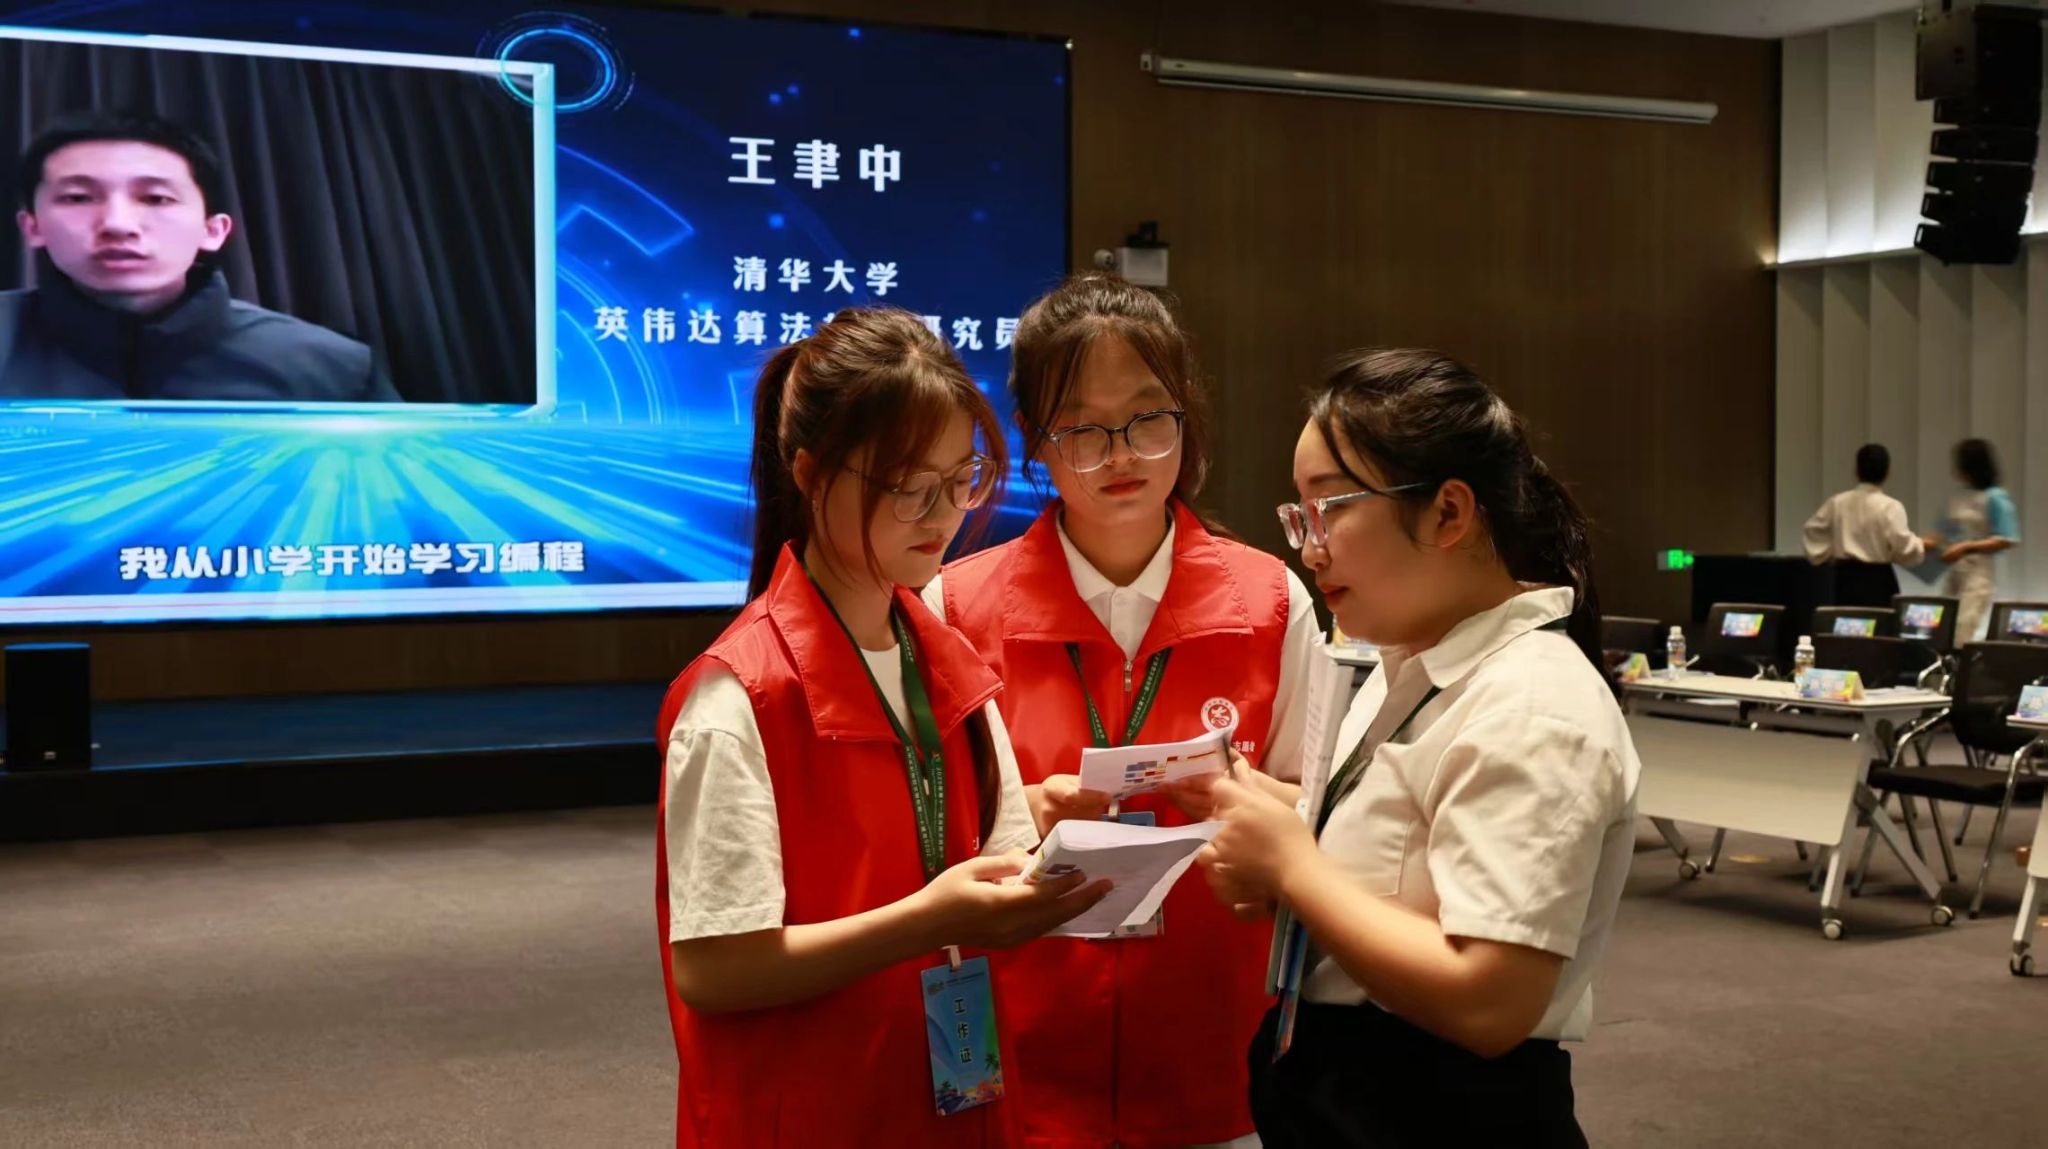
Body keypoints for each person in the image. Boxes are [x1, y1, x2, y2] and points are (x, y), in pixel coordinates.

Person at [654, 308, 1110, 1148]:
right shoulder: (740, 695)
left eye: (962, 478)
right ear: (810, 473)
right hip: (810, 1110)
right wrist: (928, 920)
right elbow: (714, 968)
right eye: (907, 485)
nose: (942, 513)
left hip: (950, 1094)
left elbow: (994, 863)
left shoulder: (948, 661)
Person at [1197, 349, 1639, 1147]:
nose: (1309, 548)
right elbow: (1405, 856)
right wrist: (1278, 821)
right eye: (1299, 515)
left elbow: (1489, 1000)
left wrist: (1293, 864)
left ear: (1447, 513)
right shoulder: (1407, 662)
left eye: (1330, 509)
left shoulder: (1533, 705)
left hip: (1444, 1109)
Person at [924, 273, 1318, 1149]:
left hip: (1215, 1049)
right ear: (1035, 435)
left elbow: (1321, 817)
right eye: (1082, 428)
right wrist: (1020, 816)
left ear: (1186, 415)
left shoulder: (1270, 602)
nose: (1121, 455)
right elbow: (922, 834)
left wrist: (1251, 807)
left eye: (1147, 418)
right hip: (1022, 1048)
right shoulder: (954, 608)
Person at [1, 110, 397, 402]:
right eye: (78, 198)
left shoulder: (331, 369)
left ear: (213, 230)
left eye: (156, 198)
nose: (118, 224)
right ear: (32, 226)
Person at [1801, 443, 1936, 608]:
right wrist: (1921, 544)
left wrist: (1830, 554)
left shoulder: (1837, 503)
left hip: (1845, 580)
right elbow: (1902, 545)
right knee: (1880, 622)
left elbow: (1812, 531)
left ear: (1856, 470)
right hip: (1878, 581)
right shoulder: (1890, 506)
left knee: (1847, 622)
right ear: (1887, 472)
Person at [1928, 437, 2020, 641]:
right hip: (1955, 571)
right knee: (1943, 626)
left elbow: (2007, 539)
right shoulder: (1959, 496)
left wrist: (1966, 547)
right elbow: (1943, 532)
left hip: (1978, 574)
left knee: (1963, 627)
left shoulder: (1995, 497)